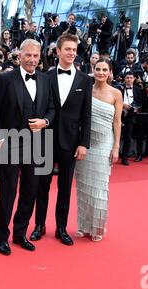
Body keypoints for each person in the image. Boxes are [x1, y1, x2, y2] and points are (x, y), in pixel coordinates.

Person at [0, 39, 55, 255]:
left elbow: (52, 109)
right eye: (28, 55)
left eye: (36, 56)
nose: (32, 59)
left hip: (38, 143)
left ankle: (20, 233)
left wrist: (44, 122)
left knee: (30, 191)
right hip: (10, 140)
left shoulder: (46, 80)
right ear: (19, 55)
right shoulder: (6, 79)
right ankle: (2, 237)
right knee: (7, 192)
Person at [32, 34, 92, 245]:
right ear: (57, 51)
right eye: (67, 49)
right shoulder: (45, 77)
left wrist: (84, 143)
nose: (71, 53)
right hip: (45, 140)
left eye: (74, 50)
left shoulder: (85, 80)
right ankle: (39, 225)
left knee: (65, 187)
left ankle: (61, 227)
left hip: (71, 141)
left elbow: (87, 114)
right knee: (42, 185)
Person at [75, 58, 123, 242]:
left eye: (105, 69)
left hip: (104, 143)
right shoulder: (87, 90)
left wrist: (116, 146)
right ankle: (83, 226)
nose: (101, 73)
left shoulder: (116, 93)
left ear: (110, 72)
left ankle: (97, 228)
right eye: (98, 69)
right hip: (86, 143)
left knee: (100, 187)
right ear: (92, 70)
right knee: (84, 187)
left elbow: (117, 121)